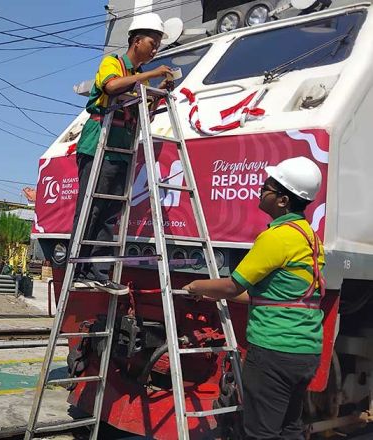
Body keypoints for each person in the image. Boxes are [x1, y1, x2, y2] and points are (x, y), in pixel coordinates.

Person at [183, 157, 325, 440]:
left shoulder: (276, 238)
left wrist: (196, 285)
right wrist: (216, 295)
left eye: (268, 187)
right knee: (289, 427)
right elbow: (276, 295)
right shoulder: (308, 236)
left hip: (274, 350)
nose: (262, 191)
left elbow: (233, 286)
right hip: (304, 351)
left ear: (283, 200)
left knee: (261, 431)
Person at [70, 13, 175, 295]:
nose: (155, 49)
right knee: (91, 209)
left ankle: (98, 272)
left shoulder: (137, 79)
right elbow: (111, 86)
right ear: (136, 40)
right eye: (152, 43)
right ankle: (77, 270)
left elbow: (144, 116)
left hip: (121, 149)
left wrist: (158, 95)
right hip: (99, 146)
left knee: (109, 213)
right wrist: (152, 75)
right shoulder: (113, 64)